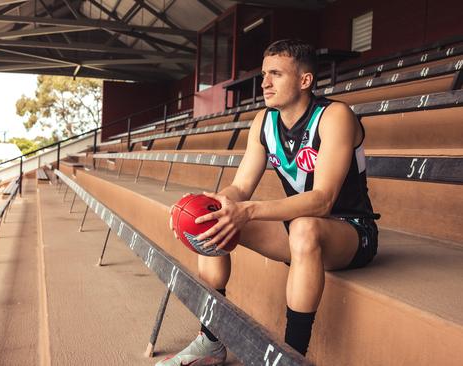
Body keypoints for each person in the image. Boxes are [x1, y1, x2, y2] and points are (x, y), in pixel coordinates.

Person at [157, 39, 379, 366]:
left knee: (304, 228)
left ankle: (290, 358)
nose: (264, 83)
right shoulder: (264, 121)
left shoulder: (335, 116)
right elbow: (241, 187)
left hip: (350, 232)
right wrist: (206, 207)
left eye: (275, 74)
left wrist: (248, 211)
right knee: (213, 218)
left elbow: (322, 201)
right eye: (263, 74)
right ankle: (211, 340)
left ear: (305, 81)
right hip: (298, 227)